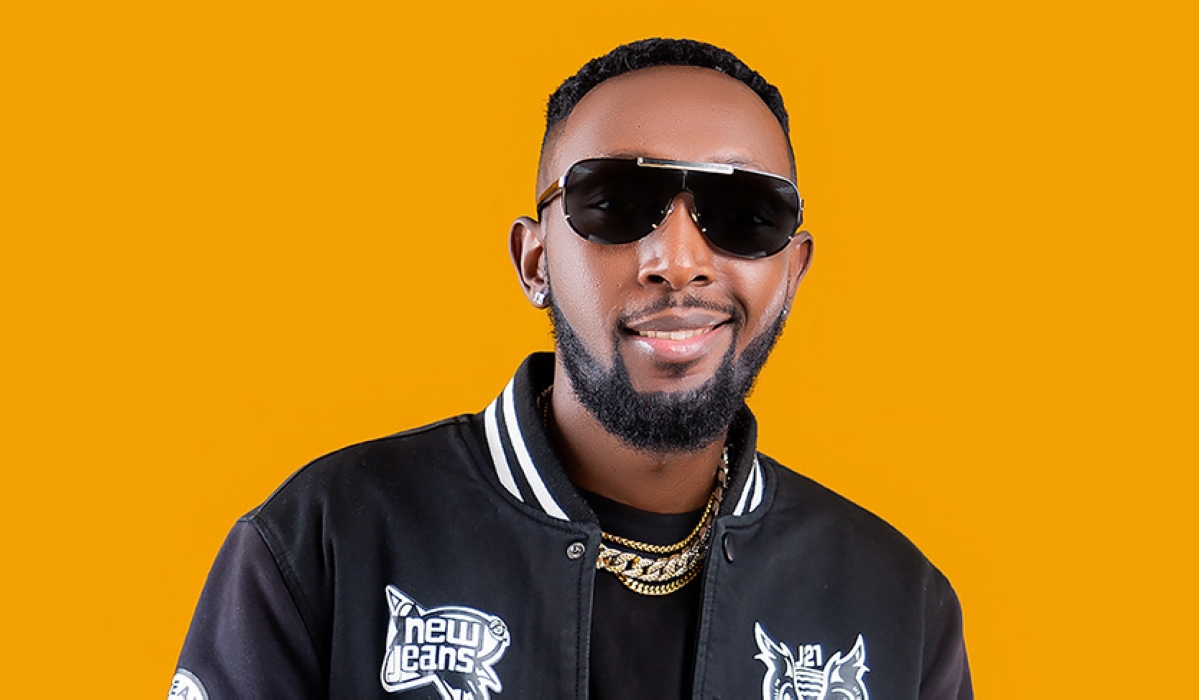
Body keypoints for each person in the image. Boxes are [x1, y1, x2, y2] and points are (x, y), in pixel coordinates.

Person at [171, 38, 972, 700]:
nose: (678, 260)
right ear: (534, 261)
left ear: (791, 273)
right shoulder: (325, 539)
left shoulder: (897, 605)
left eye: (744, 215)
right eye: (616, 203)